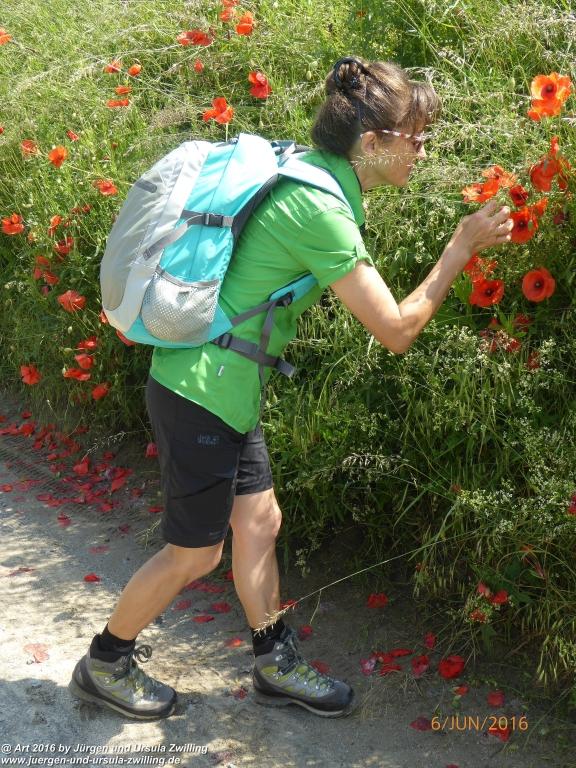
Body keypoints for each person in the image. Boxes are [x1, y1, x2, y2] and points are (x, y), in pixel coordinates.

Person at [69, 56, 513, 720]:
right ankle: (104, 662)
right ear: (373, 143)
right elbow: (395, 329)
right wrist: (458, 248)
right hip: (200, 393)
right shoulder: (317, 209)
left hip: (225, 389)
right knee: (196, 553)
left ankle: (273, 662)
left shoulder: (313, 176)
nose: (424, 149)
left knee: (261, 520)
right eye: (415, 137)